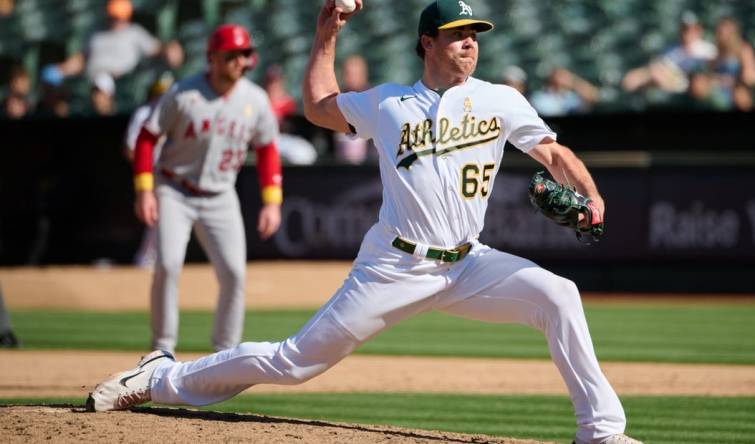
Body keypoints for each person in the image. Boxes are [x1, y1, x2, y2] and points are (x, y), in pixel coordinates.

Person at [87, 3, 641, 444]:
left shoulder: (500, 100)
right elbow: (318, 106)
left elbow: (554, 153)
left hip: (470, 262)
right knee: (295, 362)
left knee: (559, 295)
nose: (471, 41)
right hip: (395, 264)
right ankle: (159, 377)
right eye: (457, 33)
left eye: (475, 33)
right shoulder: (389, 104)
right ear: (427, 42)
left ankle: (600, 431)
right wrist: (326, 33)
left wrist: (590, 194)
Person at [126, 24, 283, 354]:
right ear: (212, 58)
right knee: (167, 265)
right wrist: (144, 189)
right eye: (233, 55)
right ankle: (162, 348)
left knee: (234, 274)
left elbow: (268, 149)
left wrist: (272, 202)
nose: (241, 61)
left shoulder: (255, 99)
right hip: (174, 189)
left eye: (245, 54)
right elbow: (146, 138)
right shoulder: (184, 94)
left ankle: (225, 352)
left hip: (221, 195)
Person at [49, 0, 181, 82]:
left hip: (120, 82)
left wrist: (169, 49)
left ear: (126, 17)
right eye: (112, 16)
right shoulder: (96, 32)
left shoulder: (134, 32)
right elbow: (82, 58)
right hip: (92, 80)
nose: (115, 20)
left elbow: (156, 49)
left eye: (118, 17)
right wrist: (61, 70)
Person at [124, 73, 175, 268]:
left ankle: (152, 257)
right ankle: (147, 258)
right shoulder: (143, 113)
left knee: (165, 216)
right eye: (160, 92)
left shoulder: (174, 113)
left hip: (170, 171)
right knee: (156, 215)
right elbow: (130, 148)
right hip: (150, 171)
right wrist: (143, 168)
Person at [621, 11, 717, 94]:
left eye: (690, 29)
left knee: (654, 74)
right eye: (684, 29)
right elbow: (660, 67)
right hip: (668, 82)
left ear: (699, 30)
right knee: (637, 76)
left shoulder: (708, 49)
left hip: (690, 85)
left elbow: (710, 73)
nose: (686, 33)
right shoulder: (671, 48)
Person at [702, 17, 755, 111]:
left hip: (737, 89)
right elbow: (710, 73)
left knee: (740, 96)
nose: (719, 35)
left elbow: (750, 77)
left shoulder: (743, 49)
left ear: (732, 34)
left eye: (722, 32)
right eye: (718, 32)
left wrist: (732, 82)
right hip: (719, 89)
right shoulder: (716, 50)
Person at [333, 54, 373, 164]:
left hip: (370, 158)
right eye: (347, 73)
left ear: (363, 75)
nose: (350, 78)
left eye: (354, 74)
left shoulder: (374, 98)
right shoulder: (337, 97)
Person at [530, 67, 599, 116]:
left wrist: (576, 82)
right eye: (562, 76)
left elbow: (593, 96)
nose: (567, 79)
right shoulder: (539, 97)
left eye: (567, 77)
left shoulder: (570, 96)